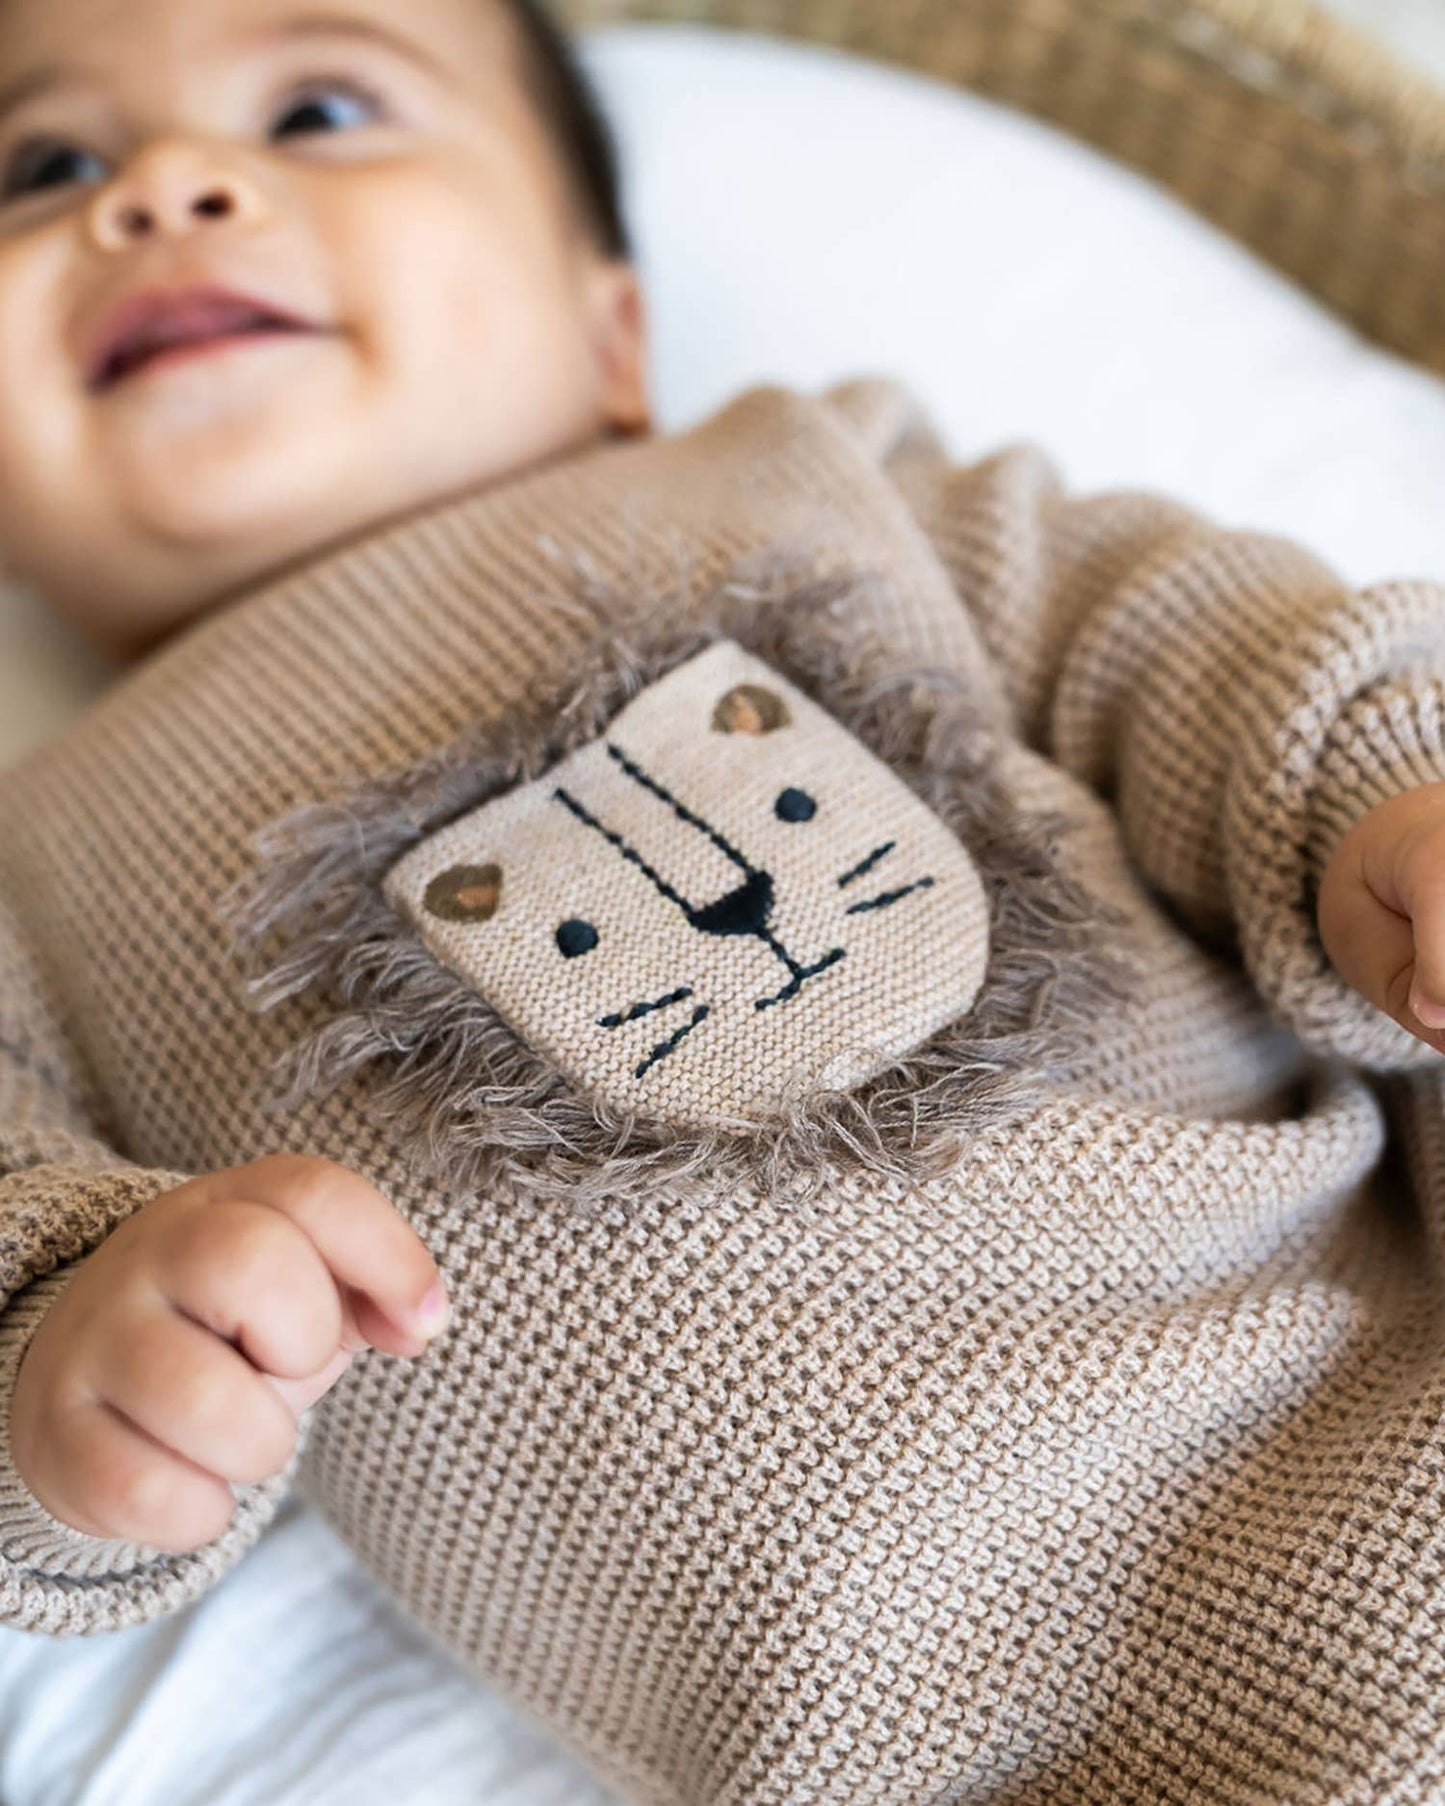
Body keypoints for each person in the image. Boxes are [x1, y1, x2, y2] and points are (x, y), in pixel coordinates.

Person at [2, 0, 1445, 1798]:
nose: (165, 190)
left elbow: (1186, 646)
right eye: (43, 165)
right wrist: (77, 1372)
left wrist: (1378, 805)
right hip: (919, 1736)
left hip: (1366, 1375)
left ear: (611, 330)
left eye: (317, 107)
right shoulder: (29, 856)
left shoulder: (813, 478)